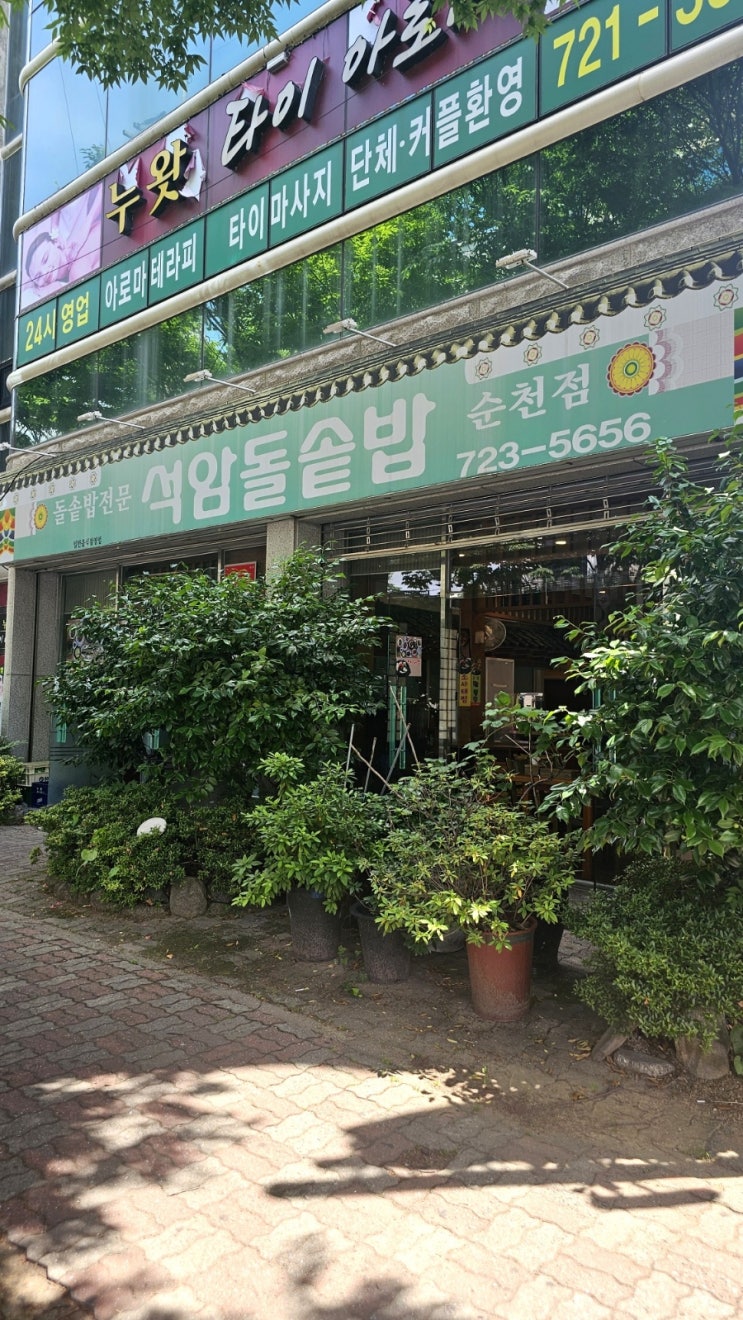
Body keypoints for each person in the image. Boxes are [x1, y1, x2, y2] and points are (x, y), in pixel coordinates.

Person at [21, 186, 103, 309]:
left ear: (56, 244)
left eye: (45, 259)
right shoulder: (71, 267)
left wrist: (86, 224)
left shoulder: (77, 267)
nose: (45, 272)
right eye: (38, 277)